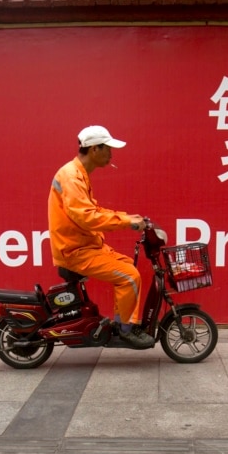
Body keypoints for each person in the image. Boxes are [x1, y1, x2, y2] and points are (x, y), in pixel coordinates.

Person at [46, 125, 155, 349]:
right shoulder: (72, 178)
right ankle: (125, 330)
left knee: (126, 265)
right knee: (129, 277)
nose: (111, 155)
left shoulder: (79, 174)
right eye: (108, 149)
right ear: (94, 149)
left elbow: (92, 210)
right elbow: (87, 218)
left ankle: (121, 324)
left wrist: (126, 217)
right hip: (75, 251)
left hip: (85, 246)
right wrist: (126, 222)